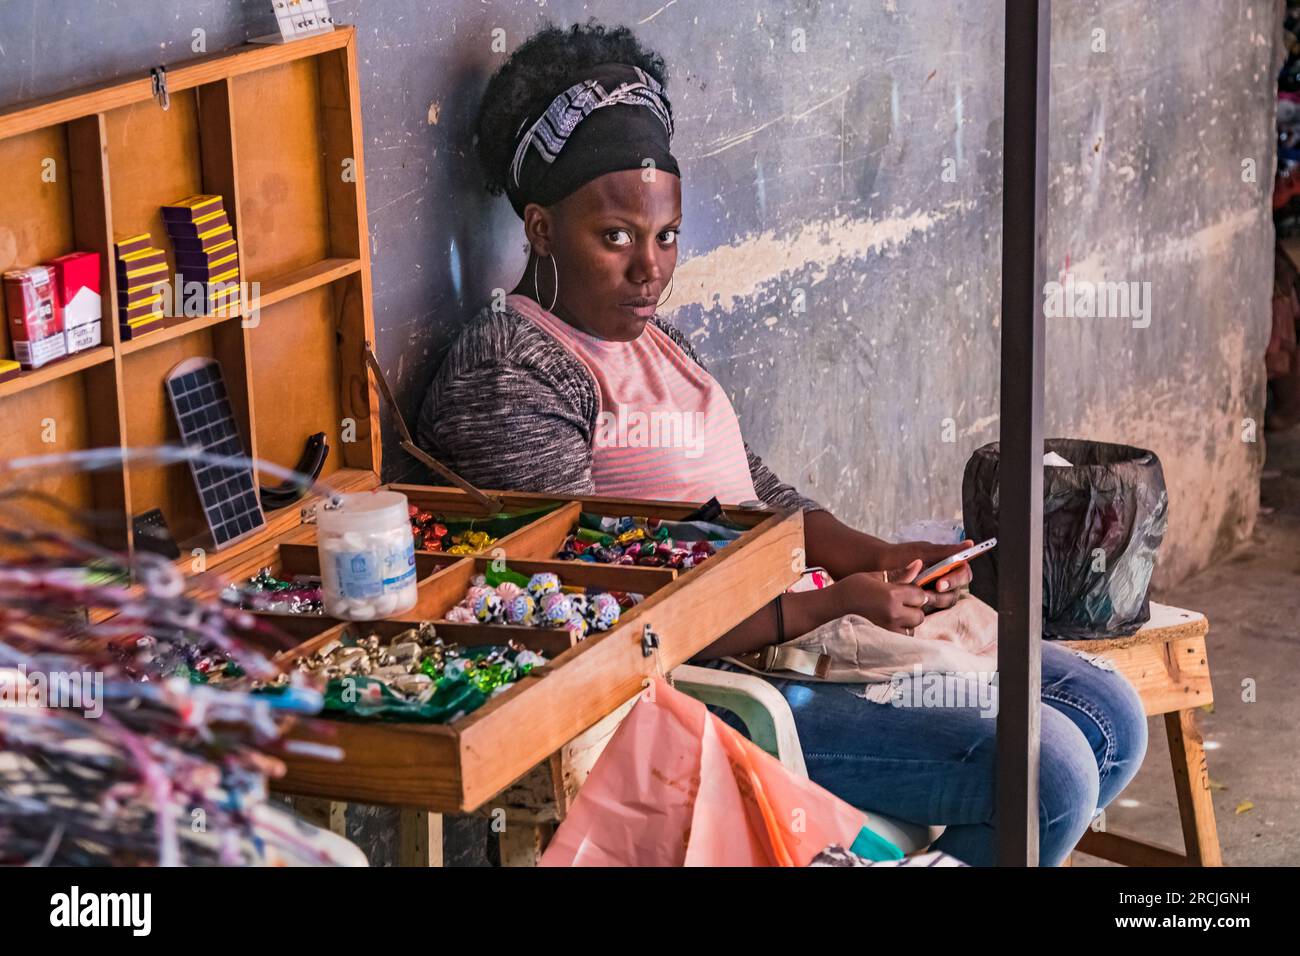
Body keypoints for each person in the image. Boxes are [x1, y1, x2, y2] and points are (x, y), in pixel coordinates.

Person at [418, 21, 1148, 866]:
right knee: (1047, 773)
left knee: (1108, 716)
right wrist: (828, 604)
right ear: (541, 228)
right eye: (614, 236)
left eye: (666, 237)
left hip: (806, 636)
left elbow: (755, 492)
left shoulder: (659, 342)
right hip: (713, 690)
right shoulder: (514, 370)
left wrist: (879, 556)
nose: (649, 269)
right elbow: (596, 619)